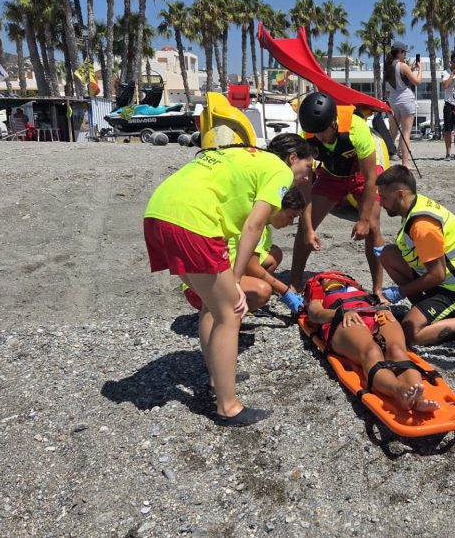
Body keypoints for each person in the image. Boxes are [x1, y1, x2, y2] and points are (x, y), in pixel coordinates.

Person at [143, 132, 314, 426]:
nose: (306, 176)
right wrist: (235, 280)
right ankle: (228, 407)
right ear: (293, 158)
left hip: (159, 212)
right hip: (193, 219)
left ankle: (217, 378)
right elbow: (254, 225)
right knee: (230, 311)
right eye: (308, 167)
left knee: (212, 306)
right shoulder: (280, 169)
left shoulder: (246, 154)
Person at [375, 165, 455, 347]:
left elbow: (437, 275)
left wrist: (400, 292)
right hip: (446, 279)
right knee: (389, 255)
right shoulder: (415, 205)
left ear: (400, 195)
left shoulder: (422, 226)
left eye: (383, 198)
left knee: (410, 333)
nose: (381, 203)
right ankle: (425, 311)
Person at [289, 92, 386, 301]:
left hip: (362, 174)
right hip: (332, 175)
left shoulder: (356, 128)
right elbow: (305, 182)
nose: (319, 137)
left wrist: (363, 219)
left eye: (323, 131)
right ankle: (294, 283)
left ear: (333, 122)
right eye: (315, 132)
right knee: (305, 225)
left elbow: (371, 178)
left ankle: (378, 289)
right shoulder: (308, 133)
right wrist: (308, 227)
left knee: (373, 227)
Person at [303, 273, 439, 412]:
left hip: (374, 314)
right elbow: (315, 315)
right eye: (326, 276)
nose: (333, 276)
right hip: (344, 319)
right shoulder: (319, 296)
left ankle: (419, 398)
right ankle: (399, 390)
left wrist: (384, 308)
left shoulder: (359, 290)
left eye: (337, 274)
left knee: (397, 350)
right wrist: (339, 313)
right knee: (372, 351)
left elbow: (381, 301)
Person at [182, 188, 306, 311]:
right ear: (277, 207)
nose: (291, 223)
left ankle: (240, 297)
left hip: (209, 278)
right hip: (200, 290)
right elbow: (252, 267)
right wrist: (285, 291)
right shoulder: (255, 226)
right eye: (291, 216)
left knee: (274, 254)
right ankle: (227, 313)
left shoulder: (263, 226)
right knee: (263, 291)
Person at [383, 41, 421, 170]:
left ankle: (384, 160)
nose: (405, 55)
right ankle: (405, 163)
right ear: (400, 52)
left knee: (392, 133)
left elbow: (398, 75)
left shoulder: (387, 66)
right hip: (405, 98)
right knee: (406, 133)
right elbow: (417, 82)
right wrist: (420, 68)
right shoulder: (403, 66)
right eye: (404, 52)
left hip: (392, 100)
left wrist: (411, 68)